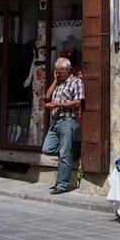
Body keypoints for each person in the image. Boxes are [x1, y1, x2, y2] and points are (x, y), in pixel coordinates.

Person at [41, 57, 84, 194]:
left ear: (67, 70)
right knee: (47, 148)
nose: (58, 74)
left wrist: (58, 104)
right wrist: (55, 80)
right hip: (56, 120)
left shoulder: (76, 82)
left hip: (67, 120)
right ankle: (73, 149)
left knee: (64, 154)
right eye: (56, 72)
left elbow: (77, 102)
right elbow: (47, 96)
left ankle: (62, 185)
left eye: (60, 72)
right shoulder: (58, 83)